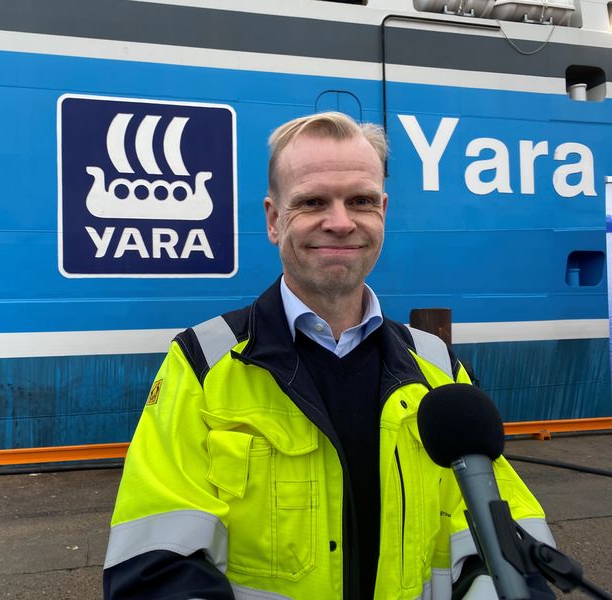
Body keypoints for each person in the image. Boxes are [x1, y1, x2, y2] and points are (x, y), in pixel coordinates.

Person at [103, 112, 555, 599]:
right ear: (275, 220)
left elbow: (505, 544)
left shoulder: (440, 371)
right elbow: (153, 569)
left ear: (382, 210)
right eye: (313, 202)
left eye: (360, 201)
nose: (340, 223)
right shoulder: (202, 364)